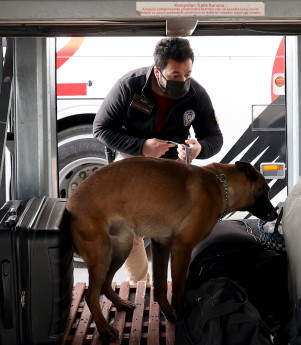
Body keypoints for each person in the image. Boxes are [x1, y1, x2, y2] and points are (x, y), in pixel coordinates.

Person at [93, 36, 223, 285]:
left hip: (174, 169)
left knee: (173, 231)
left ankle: (178, 287)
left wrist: (199, 149)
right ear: (157, 71)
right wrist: (141, 146)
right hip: (133, 165)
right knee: (125, 231)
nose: (183, 81)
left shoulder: (196, 93)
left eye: (187, 74)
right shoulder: (129, 86)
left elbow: (215, 137)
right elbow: (100, 129)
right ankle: (141, 287)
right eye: (175, 75)